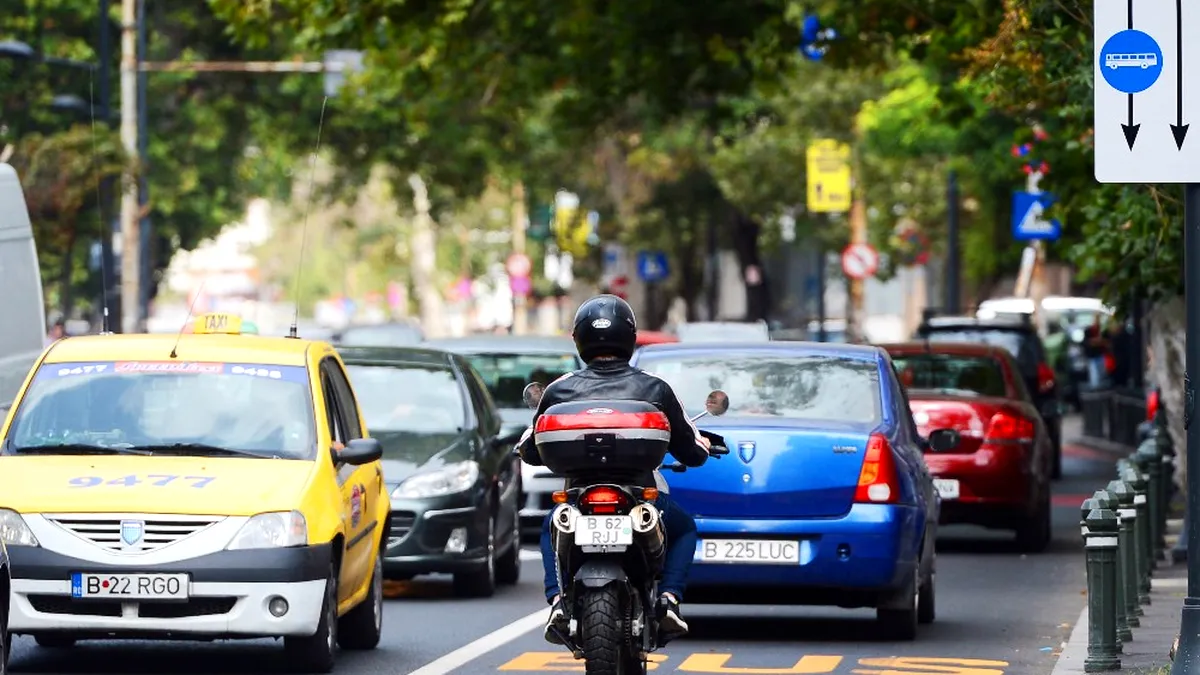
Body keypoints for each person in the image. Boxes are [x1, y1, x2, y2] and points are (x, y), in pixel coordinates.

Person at [516, 294, 711, 645]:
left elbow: (530, 451)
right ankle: (668, 599)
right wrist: (703, 446)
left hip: (577, 499)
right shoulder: (655, 388)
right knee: (684, 529)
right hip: (641, 495)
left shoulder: (559, 390)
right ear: (629, 336)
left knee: (549, 527)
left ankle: (559, 602)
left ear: (579, 338)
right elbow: (692, 451)